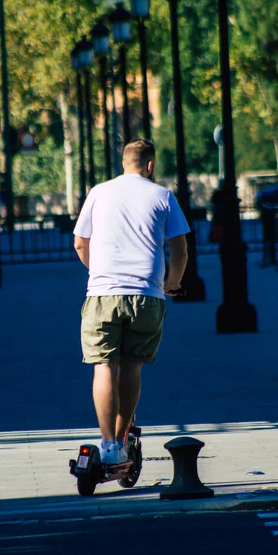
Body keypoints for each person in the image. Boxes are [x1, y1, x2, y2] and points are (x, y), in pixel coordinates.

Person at [73, 139, 189, 465]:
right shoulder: (163, 196)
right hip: (146, 296)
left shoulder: (98, 192)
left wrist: (99, 270)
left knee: (103, 366)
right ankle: (122, 442)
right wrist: (173, 284)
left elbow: (81, 244)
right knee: (131, 367)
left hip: (102, 294)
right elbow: (180, 250)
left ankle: (107, 443)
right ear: (150, 166)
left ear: (124, 163)